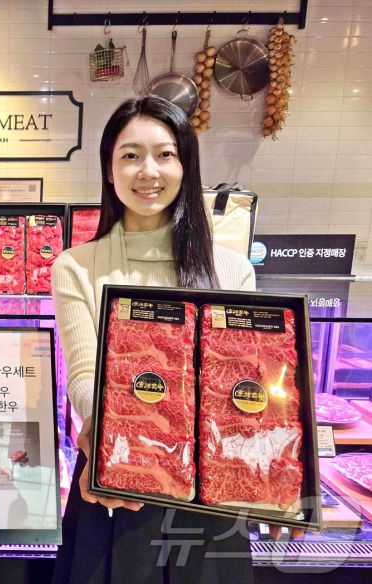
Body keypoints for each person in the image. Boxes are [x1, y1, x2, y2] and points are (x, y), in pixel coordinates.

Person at [50, 96, 302, 584]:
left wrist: (278, 469)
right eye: (130, 155)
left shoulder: (232, 270)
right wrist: (101, 432)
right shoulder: (76, 266)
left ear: (186, 166)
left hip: (210, 497)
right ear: (109, 169)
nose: (148, 171)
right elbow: (83, 375)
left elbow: (247, 387)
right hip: (118, 486)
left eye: (165, 154)